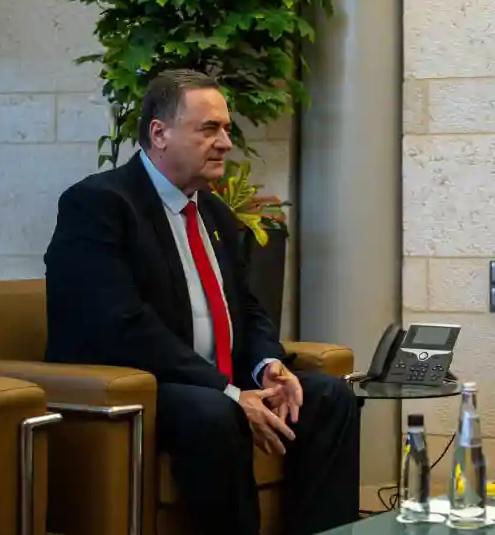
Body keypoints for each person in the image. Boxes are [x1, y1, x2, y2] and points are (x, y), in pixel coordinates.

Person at [44, 69, 359, 535]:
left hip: (214, 383)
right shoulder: (98, 204)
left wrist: (267, 366)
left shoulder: (214, 212)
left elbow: (247, 307)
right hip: (143, 385)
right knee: (214, 413)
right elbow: (122, 326)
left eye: (226, 129)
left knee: (329, 398)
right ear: (159, 134)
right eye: (209, 129)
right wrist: (228, 392)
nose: (226, 143)